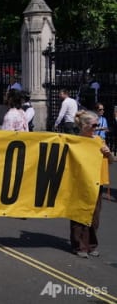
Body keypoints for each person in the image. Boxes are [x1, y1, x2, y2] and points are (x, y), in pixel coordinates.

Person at [69, 110, 116, 258]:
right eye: (94, 125)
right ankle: (79, 246)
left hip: (97, 182)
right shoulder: (75, 142)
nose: (96, 128)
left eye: (97, 125)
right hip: (80, 182)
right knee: (79, 214)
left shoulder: (98, 140)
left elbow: (111, 161)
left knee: (94, 216)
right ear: (84, 126)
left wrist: (108, 153)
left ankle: (91, 244)